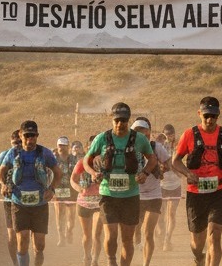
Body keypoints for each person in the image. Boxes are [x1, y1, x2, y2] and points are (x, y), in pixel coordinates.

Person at [171, 97, 222, 266]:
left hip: (219, 191)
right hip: (196, 193)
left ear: (218, 115)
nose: (210, 120)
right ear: (199, 114)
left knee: (215, 234)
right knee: (197, 243)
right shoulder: (189, 134)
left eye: (214, 116)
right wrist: (187, 173)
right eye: (206, 116)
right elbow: (175, 161)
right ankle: (198, 257)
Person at [84, 102, 157, 266]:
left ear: (128, 120)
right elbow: (86, 160)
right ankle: (111, 261)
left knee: (127, 238)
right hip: (108, 194)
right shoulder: (102, 138)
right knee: (110, 235)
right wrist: (93, 173)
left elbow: (152, 158)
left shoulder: (138, 139)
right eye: (117, 120)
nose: (120, 124)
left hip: (130, 195)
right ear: (112, 119)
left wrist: (145, 172)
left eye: (123, 120)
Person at [0, 120, 63, 266]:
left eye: (33, 136)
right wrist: (3, 184)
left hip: (40, 204)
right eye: (27, 135)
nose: (30, 139)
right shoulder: (13, 153)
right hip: (19, 203)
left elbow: (58, 173)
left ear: (37, 136)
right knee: (23, 240)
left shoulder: (44, 152)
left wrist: (52, 189)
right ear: (20, 135)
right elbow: (0, 171)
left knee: (39, 245)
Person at [132, 117, 172, 266]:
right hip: (134, 195)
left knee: (148, 233)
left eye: (144, 132)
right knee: (134, 231)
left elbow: (168, 162)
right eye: (138, 132)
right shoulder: (128, 149)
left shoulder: (156, 147)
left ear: (149, 134)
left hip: (154, 195)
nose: (142, 135)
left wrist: (164, 168)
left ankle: (146, 263)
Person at [71, 137, 104, 266]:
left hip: (99, 203)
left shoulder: (104, 163)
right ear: (87, 148)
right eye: (91, 148)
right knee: (87, 235)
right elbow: (72, 180)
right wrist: (78, 188)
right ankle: (86, 256)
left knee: (96, 234)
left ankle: (95, 259)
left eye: (96, 148)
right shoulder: (81, 163)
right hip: (84, 202)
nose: (93, 150)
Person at [0, 129, 24, 265]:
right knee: (12, 236)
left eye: (19, 142)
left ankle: (24, 260)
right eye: (14, 142)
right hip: (9, 199)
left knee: (23, 236)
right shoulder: (6, 154)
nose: (16, 145)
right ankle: (15, 263)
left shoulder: (31, 153)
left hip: (27, 199)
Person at [156, 124, 182, 251]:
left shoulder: (178, 144)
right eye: (167, 135)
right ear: (163, 134)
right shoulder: (159, 145)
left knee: (171, 214)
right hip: (161, 185)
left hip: (175, 184)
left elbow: (180, 159)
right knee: (160, 214)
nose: (169, 137)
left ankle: (168, 239)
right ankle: (160, 235)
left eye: (171, 134)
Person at [52, 135, 79, 246]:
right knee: (59, 214)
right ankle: (61, 237)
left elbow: (77, 172)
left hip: (71, 189)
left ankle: (69, 231)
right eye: (60, 145)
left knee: (71, 216)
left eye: (64, 145)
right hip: (58, 189)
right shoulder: (53, 159)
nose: (61, 147)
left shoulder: (73, 158)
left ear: (68, 146)